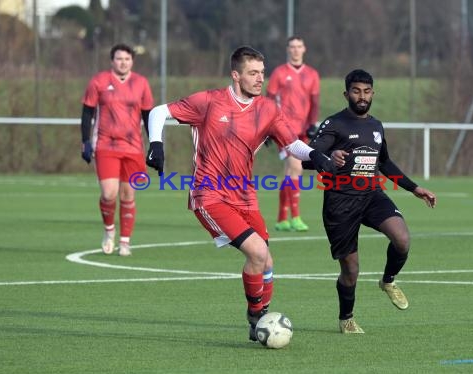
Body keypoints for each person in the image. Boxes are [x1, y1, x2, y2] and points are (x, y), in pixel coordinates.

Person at [145, 46, 334, 341]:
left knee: (267, 261)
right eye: (253, 73)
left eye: (262, 72)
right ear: (236, 75)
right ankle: (256, 316)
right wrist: (155, 143)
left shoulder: (268, 109)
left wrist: (317, 156)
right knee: (257, 252)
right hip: (209, 194)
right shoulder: (208, 102)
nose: (260, 79)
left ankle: (259, 318)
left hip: (244, 195)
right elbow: (158, 112)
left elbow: (292, 143)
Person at [304, 69, 437, 334]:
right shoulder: (334, 124)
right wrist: (330, 158)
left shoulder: (376, 126)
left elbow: (384, 162)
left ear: (373, 93)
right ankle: (346, 318)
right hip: (340, 202)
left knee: (402, 238)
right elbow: (309, 156)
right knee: (351, 270)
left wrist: (414, 188)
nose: (362, 97)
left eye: (366, 91)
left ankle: (388, 281)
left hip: (371, 195)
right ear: (346, 94)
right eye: (356, 91)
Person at [80, 43, 154, 257]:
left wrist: (154, 145)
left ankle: (125, 241)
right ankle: (109, 231)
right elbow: (87, 113)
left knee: (128, 195)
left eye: (127, 59)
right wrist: (85, 141)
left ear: (132, 61)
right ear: (112, 61)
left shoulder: (141, 83)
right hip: (106, 145)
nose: (123, 62)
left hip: (133, 148)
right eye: (119, 59)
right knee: (109, 193)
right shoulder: (99, 81)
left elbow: (148, 116)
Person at [266, 36, 320, 232]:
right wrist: (267, 126)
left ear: (304, 48)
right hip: (283, 128)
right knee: (295, 167)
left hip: (303, 130)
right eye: (292, 47)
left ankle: (282, 218)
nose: (296, 50)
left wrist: (312, 124)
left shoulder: (312, 74)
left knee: (290, 172)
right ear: (287, 49)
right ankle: (296, 217)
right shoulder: (279, 73)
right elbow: (269, 100)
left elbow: (314, 102)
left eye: (299, 46)